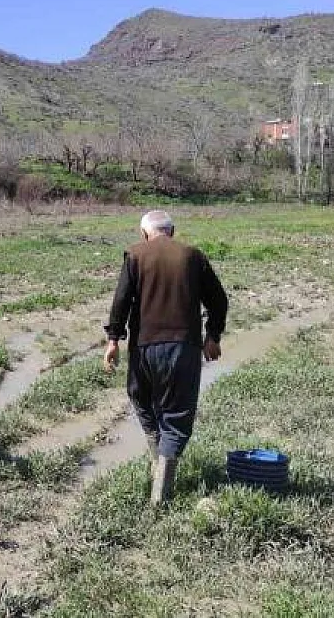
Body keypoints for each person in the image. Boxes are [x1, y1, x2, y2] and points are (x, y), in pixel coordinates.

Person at [103, 210, 228, 505]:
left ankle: (158, 472)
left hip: (143, 348)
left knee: (141, 400)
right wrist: (213, 337)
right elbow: (219, 300)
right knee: (176, 416)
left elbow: (121, 301)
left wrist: (113, 340)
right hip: (183, 348)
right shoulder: (192, 256)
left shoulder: (134, 254)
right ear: (172, 231)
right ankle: (161, 485)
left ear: (144, 233)